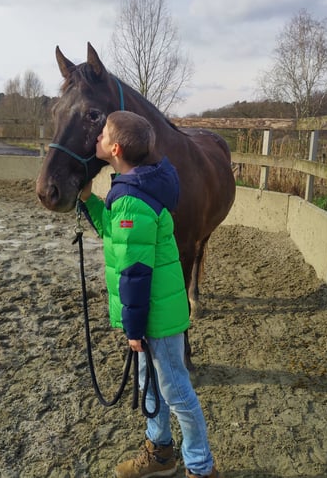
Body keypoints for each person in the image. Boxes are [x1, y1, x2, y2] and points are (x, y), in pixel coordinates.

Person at [78, 110, 220, 478]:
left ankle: (200, 466)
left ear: (116, 148)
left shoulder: (132, 200)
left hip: (154, 318)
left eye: (102, 134)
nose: (96, 139)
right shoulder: (135, 189)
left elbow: (135, 273)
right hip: (154, 314)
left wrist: (134, 327)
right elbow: (116, 233)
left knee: (176, 391)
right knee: (150, 383)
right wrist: (88, 200)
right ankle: (160, 452)